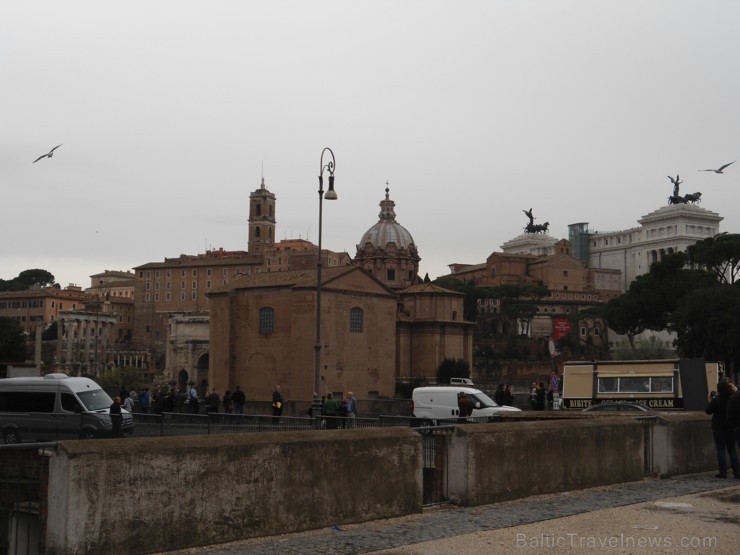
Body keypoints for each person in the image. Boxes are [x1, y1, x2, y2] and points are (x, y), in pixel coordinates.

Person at [705, 380, 739, 479]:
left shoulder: (716, 399)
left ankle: (723, 472)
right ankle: (736, 472)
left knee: (721, 450)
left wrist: (710, 400)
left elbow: (708, 411)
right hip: (730, 426)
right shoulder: (733, 398)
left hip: (718, 427)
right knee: (732, 450)